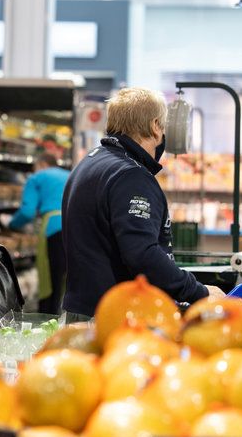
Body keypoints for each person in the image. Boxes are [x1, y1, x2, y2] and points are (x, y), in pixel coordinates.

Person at [61, 86, 224, 321]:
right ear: (155, 126)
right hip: (113, 319)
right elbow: (143, 255)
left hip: (83, 311)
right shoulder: (131, 176)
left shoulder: (89, 163)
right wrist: (199, 291)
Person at [5, 151, 69, 314]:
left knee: (48, 282)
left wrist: (11, 224)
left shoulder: (36, 178)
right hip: (74, 228)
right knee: (65, 282)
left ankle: (47, 322)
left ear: (41, 165)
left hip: (53, 228)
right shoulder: (71, 174)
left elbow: (27, 212)